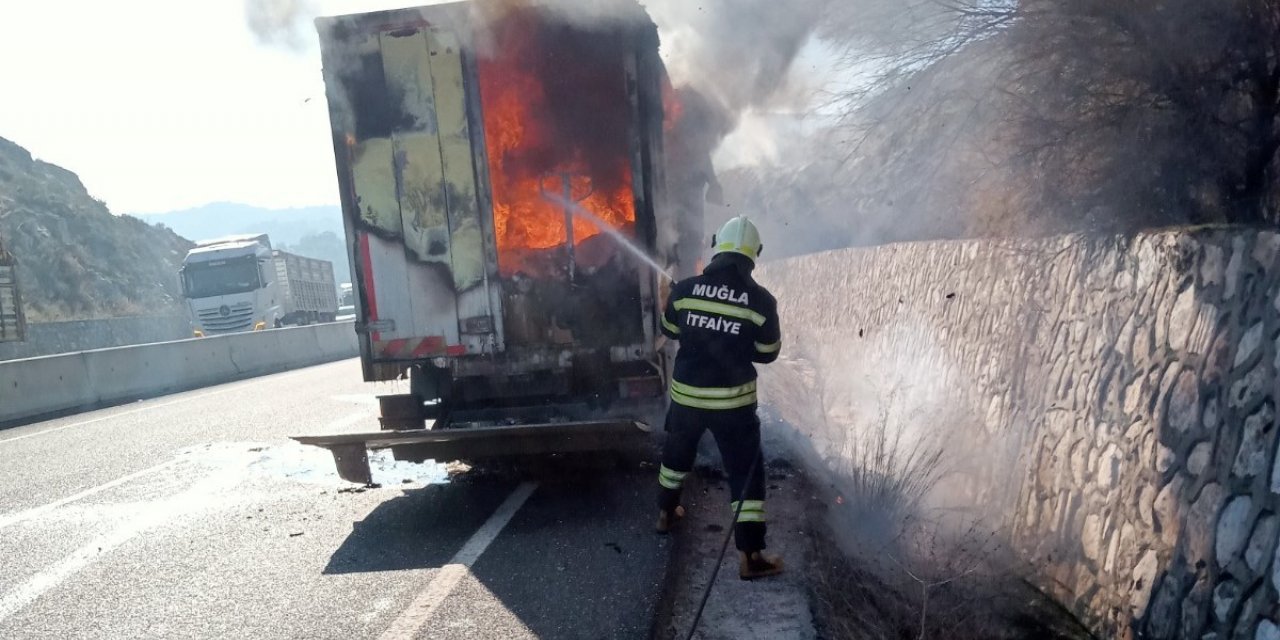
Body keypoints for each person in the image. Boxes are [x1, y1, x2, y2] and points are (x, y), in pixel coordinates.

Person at [655, 216, 784, 580]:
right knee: (744, 471)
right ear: (754, 254)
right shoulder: (761, 301)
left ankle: (666, 513)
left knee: (676, 458)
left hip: (687, 400)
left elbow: (669, 330)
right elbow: (768, 353)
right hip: (733, 405)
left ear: (717, 247)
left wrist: (670, 302)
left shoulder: (686, 290)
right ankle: (751, 556)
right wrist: (738, 341)